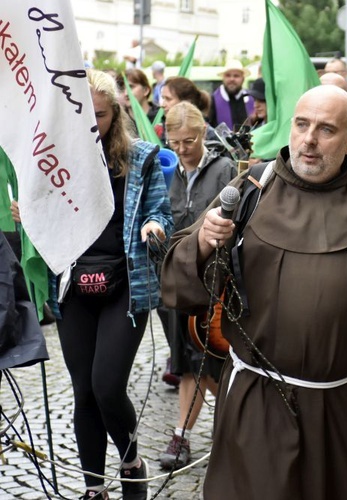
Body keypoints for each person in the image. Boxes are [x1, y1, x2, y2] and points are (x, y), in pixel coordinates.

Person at [160, 84, 347, 499]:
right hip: (259, 407)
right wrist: (203, 243)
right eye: (301, 125)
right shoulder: (251, 190)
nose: (309, 140)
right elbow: (179, 285)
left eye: (326, 129)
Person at [49, 69, 173, 499]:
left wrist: (154, 225)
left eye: (99, 116)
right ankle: (94, 488)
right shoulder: (55, 157)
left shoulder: (139, 157)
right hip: (73, 283)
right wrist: (30, 215)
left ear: (115, 114)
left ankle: (131, 460)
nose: (91, 124)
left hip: (126, 284)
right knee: (84, 390)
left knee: (106, 385)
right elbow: (45, 214)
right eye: (84, 115)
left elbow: (162, 211)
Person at [159, 101, 236, 470]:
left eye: (188, 140)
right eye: (174, 142)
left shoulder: (224, 171)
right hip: (178, 285)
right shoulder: (166, 175)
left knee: (217, 366)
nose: (182, 148)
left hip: (217, 288)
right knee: (187, 364)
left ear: (203, 134)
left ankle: (236, 428)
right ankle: (183, 436)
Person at [207, 60, 254, 131]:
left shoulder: (252, 99)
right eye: (228, 75)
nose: (232, 79)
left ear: (243, 79)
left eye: (236, 76)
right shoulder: (212, 100)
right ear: (223, 78)